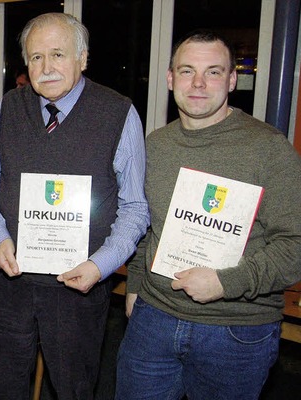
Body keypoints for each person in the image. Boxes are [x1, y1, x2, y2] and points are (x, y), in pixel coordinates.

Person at [0, 12, 149, 400]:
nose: (46, 68)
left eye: (57, 54)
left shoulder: (118, 114)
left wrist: (100, 266)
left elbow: (134, 208)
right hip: (7, 281)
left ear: (83, 58)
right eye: (35, 57)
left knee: (73, 389)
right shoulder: (8, 108)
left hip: (77, 289)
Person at [115, 30, 301, 400]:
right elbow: (145, 225)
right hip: (154, 317)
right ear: (170, 79)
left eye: (213, 72)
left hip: (235, 330)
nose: (198, 83)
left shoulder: (268, 149)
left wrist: (225, 282)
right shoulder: (155, 145)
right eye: (187, 71)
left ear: (232, 79)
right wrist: (134, 286)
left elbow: (295, 246)